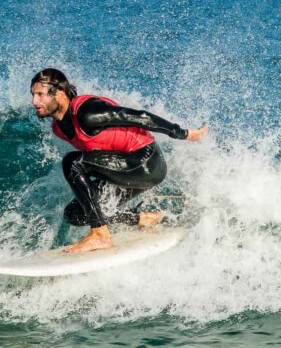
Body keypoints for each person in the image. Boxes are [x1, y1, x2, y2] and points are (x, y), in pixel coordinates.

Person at [30, 68, 209, 253]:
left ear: (59, 93)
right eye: (33, 95)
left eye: (40, 95)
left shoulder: (87, 113)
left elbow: (141, 117)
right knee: (75, 214)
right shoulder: (59, 127)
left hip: (146, 163)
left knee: (73, 162)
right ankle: (142, 219)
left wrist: (183, 133)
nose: (34, 101)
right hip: (123, 170)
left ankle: (100, 235)